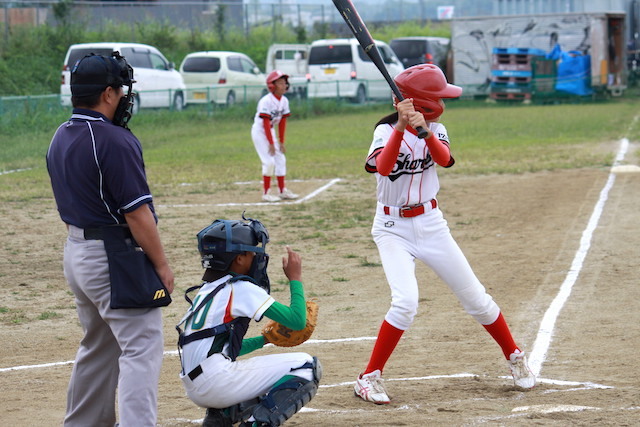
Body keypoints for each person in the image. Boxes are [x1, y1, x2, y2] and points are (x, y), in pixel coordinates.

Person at [354, 64, 536, 405]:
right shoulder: (383, 132)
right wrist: (401, 127)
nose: (444, 101)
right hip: (393, 229)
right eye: (438, 96)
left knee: (476, 298)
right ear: (420, 101)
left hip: (431, 224)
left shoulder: (437, 128)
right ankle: (368, 378)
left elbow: (445, 158)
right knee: (405, 303)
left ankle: (514, 357)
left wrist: (422, 130)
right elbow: (382, 167)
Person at [46, 52, 175, 426]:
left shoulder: (61, 133)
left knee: (98, 347)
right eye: (119, 90)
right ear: (106, 94)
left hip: (77, 252)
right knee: (141, 348)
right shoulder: (114, 140)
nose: (123, 97)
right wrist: (162, 265)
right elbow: (137, 214)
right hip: (111, 257)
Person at [176, 216, 321, 426]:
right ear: (239, 258)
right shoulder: (240, 287)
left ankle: (221, 417)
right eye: (252, 251)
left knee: (236, 369)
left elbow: (225, 349)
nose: (256, 256)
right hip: (216, 383)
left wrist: (264, 340)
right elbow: (297, 321)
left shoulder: (207, 291)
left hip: (199, 386)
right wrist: (295, 279)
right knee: (307, 366)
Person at [251, 70, 298, 202]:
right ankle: (266, 193)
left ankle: (282, 191)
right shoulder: (266, 101)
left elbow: (282, 122)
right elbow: (265, 123)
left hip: (269, 131)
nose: (284, 85)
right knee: (269, 161)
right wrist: (271, 143)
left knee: (280, 159)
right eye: (280, 83)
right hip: (260, 131)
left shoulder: (284, 101)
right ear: (272, 85)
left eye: (284, 82)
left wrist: (281, 142)